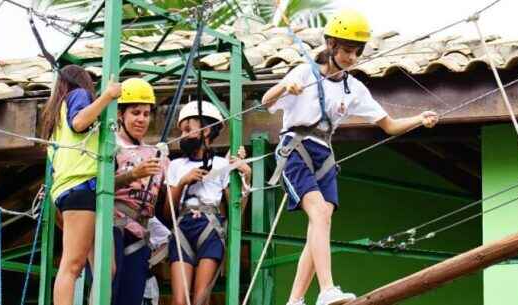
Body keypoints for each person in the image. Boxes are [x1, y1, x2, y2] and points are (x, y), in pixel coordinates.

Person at [261, 10, 440, 305]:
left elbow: (390, 125)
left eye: (356, 51)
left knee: (321, 222)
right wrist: (284, 86)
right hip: (296, 149)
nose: (351, 57)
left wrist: (420, 118)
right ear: (330, 45)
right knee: (319, 214)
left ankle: (295, 300)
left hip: (324, 154)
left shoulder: (353, 88)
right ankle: (327, 290)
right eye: (346, 50)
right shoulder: (304, 73)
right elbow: (266, 102)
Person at [39, 64, 121, 305]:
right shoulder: (79, 96)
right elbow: (79, 122)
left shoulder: (55, 120)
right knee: (73, 264)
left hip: (76, 191)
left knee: (107, 268)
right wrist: (107, 96)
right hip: (81, 188)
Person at [166, 101, 251, 305]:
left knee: (201, 299)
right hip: (183, 229)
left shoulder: (222, 165)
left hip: (210, 230)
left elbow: (236, 211)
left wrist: (246, 178)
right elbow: (167, 212)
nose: (183, 135)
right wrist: (183, 182)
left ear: (207, 131)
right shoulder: (176, 166)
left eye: (188, 129)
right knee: (180, 301)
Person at [112, 78, 171, 305]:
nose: (141, 119)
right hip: (112, 226)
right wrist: (132, 175)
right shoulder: (110, 146)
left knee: (131, 299)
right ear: (121, 114)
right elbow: (96, 187)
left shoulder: (158, 154)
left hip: (140, 234)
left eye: (146, 114)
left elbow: (168, 204)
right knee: (108, 293)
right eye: (135, 112)